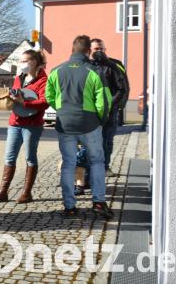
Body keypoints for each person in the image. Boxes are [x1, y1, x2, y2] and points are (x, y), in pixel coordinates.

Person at [45, 35, 114, 219]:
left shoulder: (56, 71)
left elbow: (49, 96)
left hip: (65, 124)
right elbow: (104, 101)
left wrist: (63, 111)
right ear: (88, 51)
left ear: (72, 49)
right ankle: (98, 202)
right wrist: (100, 120)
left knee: (68, 163)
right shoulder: (95, 71)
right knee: (97, 161)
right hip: (90, 124)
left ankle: (69, 206)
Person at [0, 49, 49, 204]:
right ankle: (3, 192)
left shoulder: (43, 80)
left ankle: (26, 193)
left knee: (30, 157)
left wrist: (25, 102)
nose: (22, 64)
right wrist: (11, 96)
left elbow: (44, 102)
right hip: (15, 122)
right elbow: (17, 95)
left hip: (32, 125)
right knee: (9, 156)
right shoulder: (19, 77)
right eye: (21, 61)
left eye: (25, 61)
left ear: (34, 62)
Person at [89, 38, 130, 175]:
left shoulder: (115, 65)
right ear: (90, 51)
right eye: (96, 49)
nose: (99, 51)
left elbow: (123, 88)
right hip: (90, 112)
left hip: (110, 111)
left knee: (107, 141)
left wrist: (114, 105)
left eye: (101, 48)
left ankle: (105, 167)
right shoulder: (86, 65)